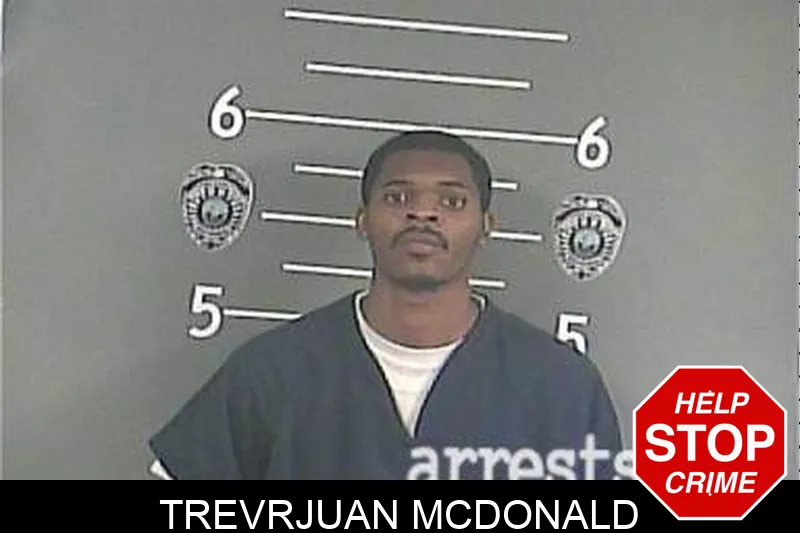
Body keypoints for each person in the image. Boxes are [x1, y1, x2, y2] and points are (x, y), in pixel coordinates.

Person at [148, 130, 623, 480]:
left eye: (452, 202)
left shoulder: (561, 386)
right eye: (398, 197)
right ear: (362, 219)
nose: (423, 213)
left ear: (486, 226)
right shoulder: (272, 371)